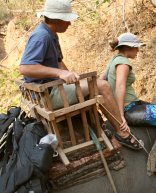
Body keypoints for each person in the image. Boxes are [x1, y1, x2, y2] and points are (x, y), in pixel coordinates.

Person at [19, 0, 141, 150]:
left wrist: (71, 76)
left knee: (93, 82)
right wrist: (60, 73)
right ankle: (123, 133)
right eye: (67, 20)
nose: (69, 24)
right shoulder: (41, 37)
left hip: (53, 88)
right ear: (57, 19)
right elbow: (25, 67)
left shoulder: (51, 35)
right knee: (102, 86)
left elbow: (58, 61)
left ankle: (101, 126)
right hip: (48, 94)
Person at [102, 32, 156, 145]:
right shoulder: (123, 63)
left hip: (132, 105)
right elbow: (120, 87)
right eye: (136, 47)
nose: (138, 50)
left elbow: (102, 81)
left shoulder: (114, 60)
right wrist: (120, 115)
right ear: (129, 47)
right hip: (129, 110)